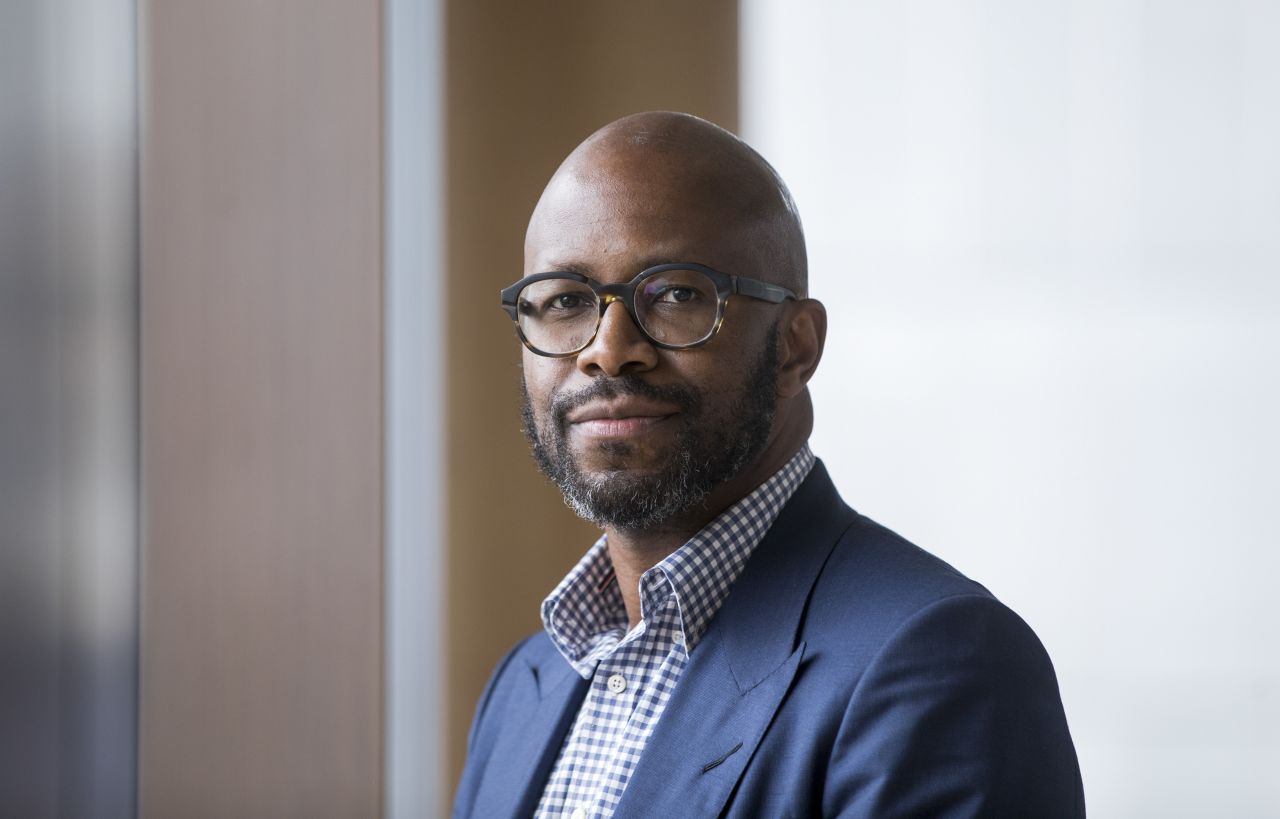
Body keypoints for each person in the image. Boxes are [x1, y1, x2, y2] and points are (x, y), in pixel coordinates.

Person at [452, 111, 1084, 818]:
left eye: (676, 294)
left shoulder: (942, 664)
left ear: (795, 345)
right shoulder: (524, 685)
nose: (608, 347)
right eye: (566, 300)